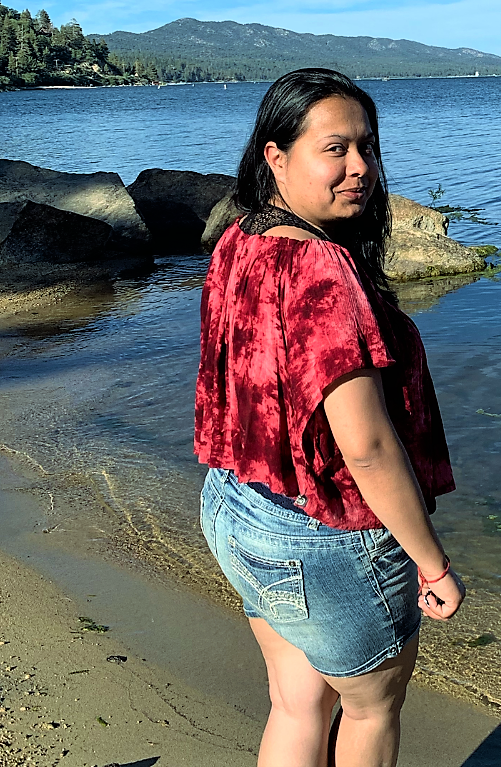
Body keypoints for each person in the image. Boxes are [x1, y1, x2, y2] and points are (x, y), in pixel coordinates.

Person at [195, 68, 465, 767]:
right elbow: (367, 446)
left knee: (296, 701)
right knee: (371, 710)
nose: (361, 169)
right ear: (275, 156)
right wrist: (432, 565)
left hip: (238, 505)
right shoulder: (319, 268)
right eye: (336, 149)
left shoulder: (240, 237)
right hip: (322, 536)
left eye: (368, 148)